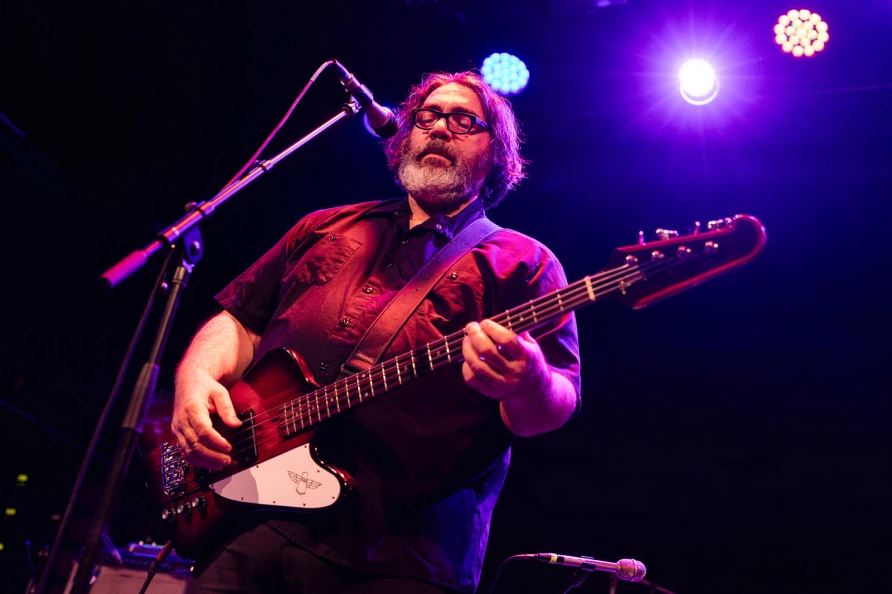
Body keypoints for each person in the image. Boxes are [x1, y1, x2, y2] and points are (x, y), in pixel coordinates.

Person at [171, 70, 582, 594]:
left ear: (496, 153)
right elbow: (240, 320)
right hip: (248, 523)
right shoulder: (324, 226)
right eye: (427, 117)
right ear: (403, 136)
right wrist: (195, 377)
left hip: (399, 554)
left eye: (463, 120)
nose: (439, 129)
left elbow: (557, 400)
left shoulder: (523, 262)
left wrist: (528, 382)